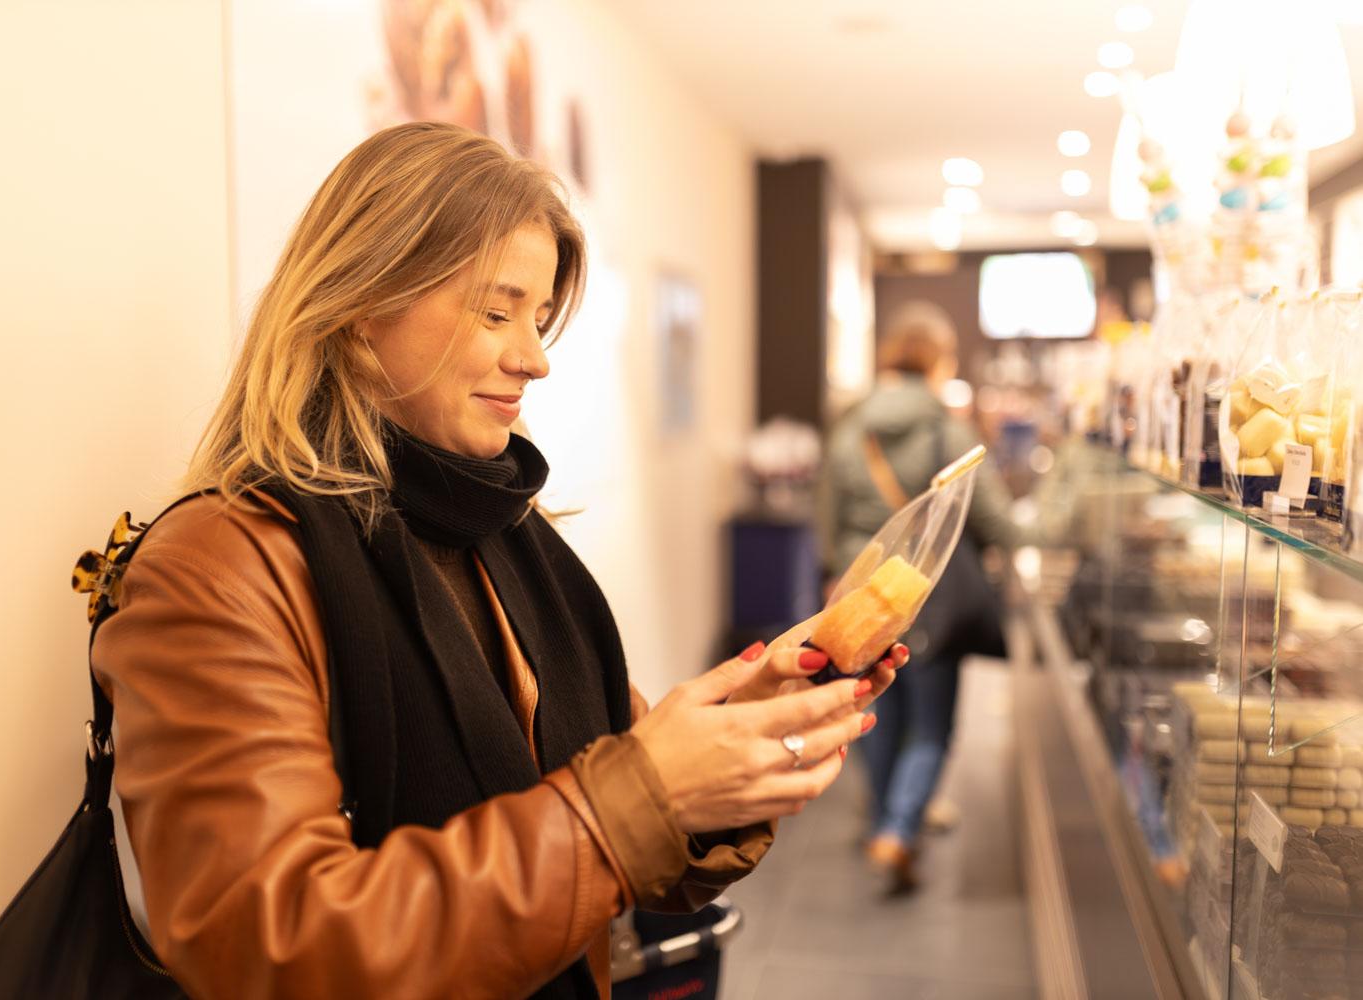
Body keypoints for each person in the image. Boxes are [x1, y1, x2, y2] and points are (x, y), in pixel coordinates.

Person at [91, 122, 907, 1000]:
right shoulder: (219, 568)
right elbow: (271, 947)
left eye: (540, 318)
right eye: (495, 312)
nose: (536, 359)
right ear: (361, 307)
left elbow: (618, 818)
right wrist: (646, 792)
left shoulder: (502, 531)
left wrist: (734, 739)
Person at [821, 300, 1017, 892]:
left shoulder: (850, 427)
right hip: (926, 594)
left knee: (875, 711)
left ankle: (882, 819)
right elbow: (993, 520)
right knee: (930, 724)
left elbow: (827, 519)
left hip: (861, 594)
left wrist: (839, 575)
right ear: (938, 362)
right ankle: (899, 830)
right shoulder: (948, 431)